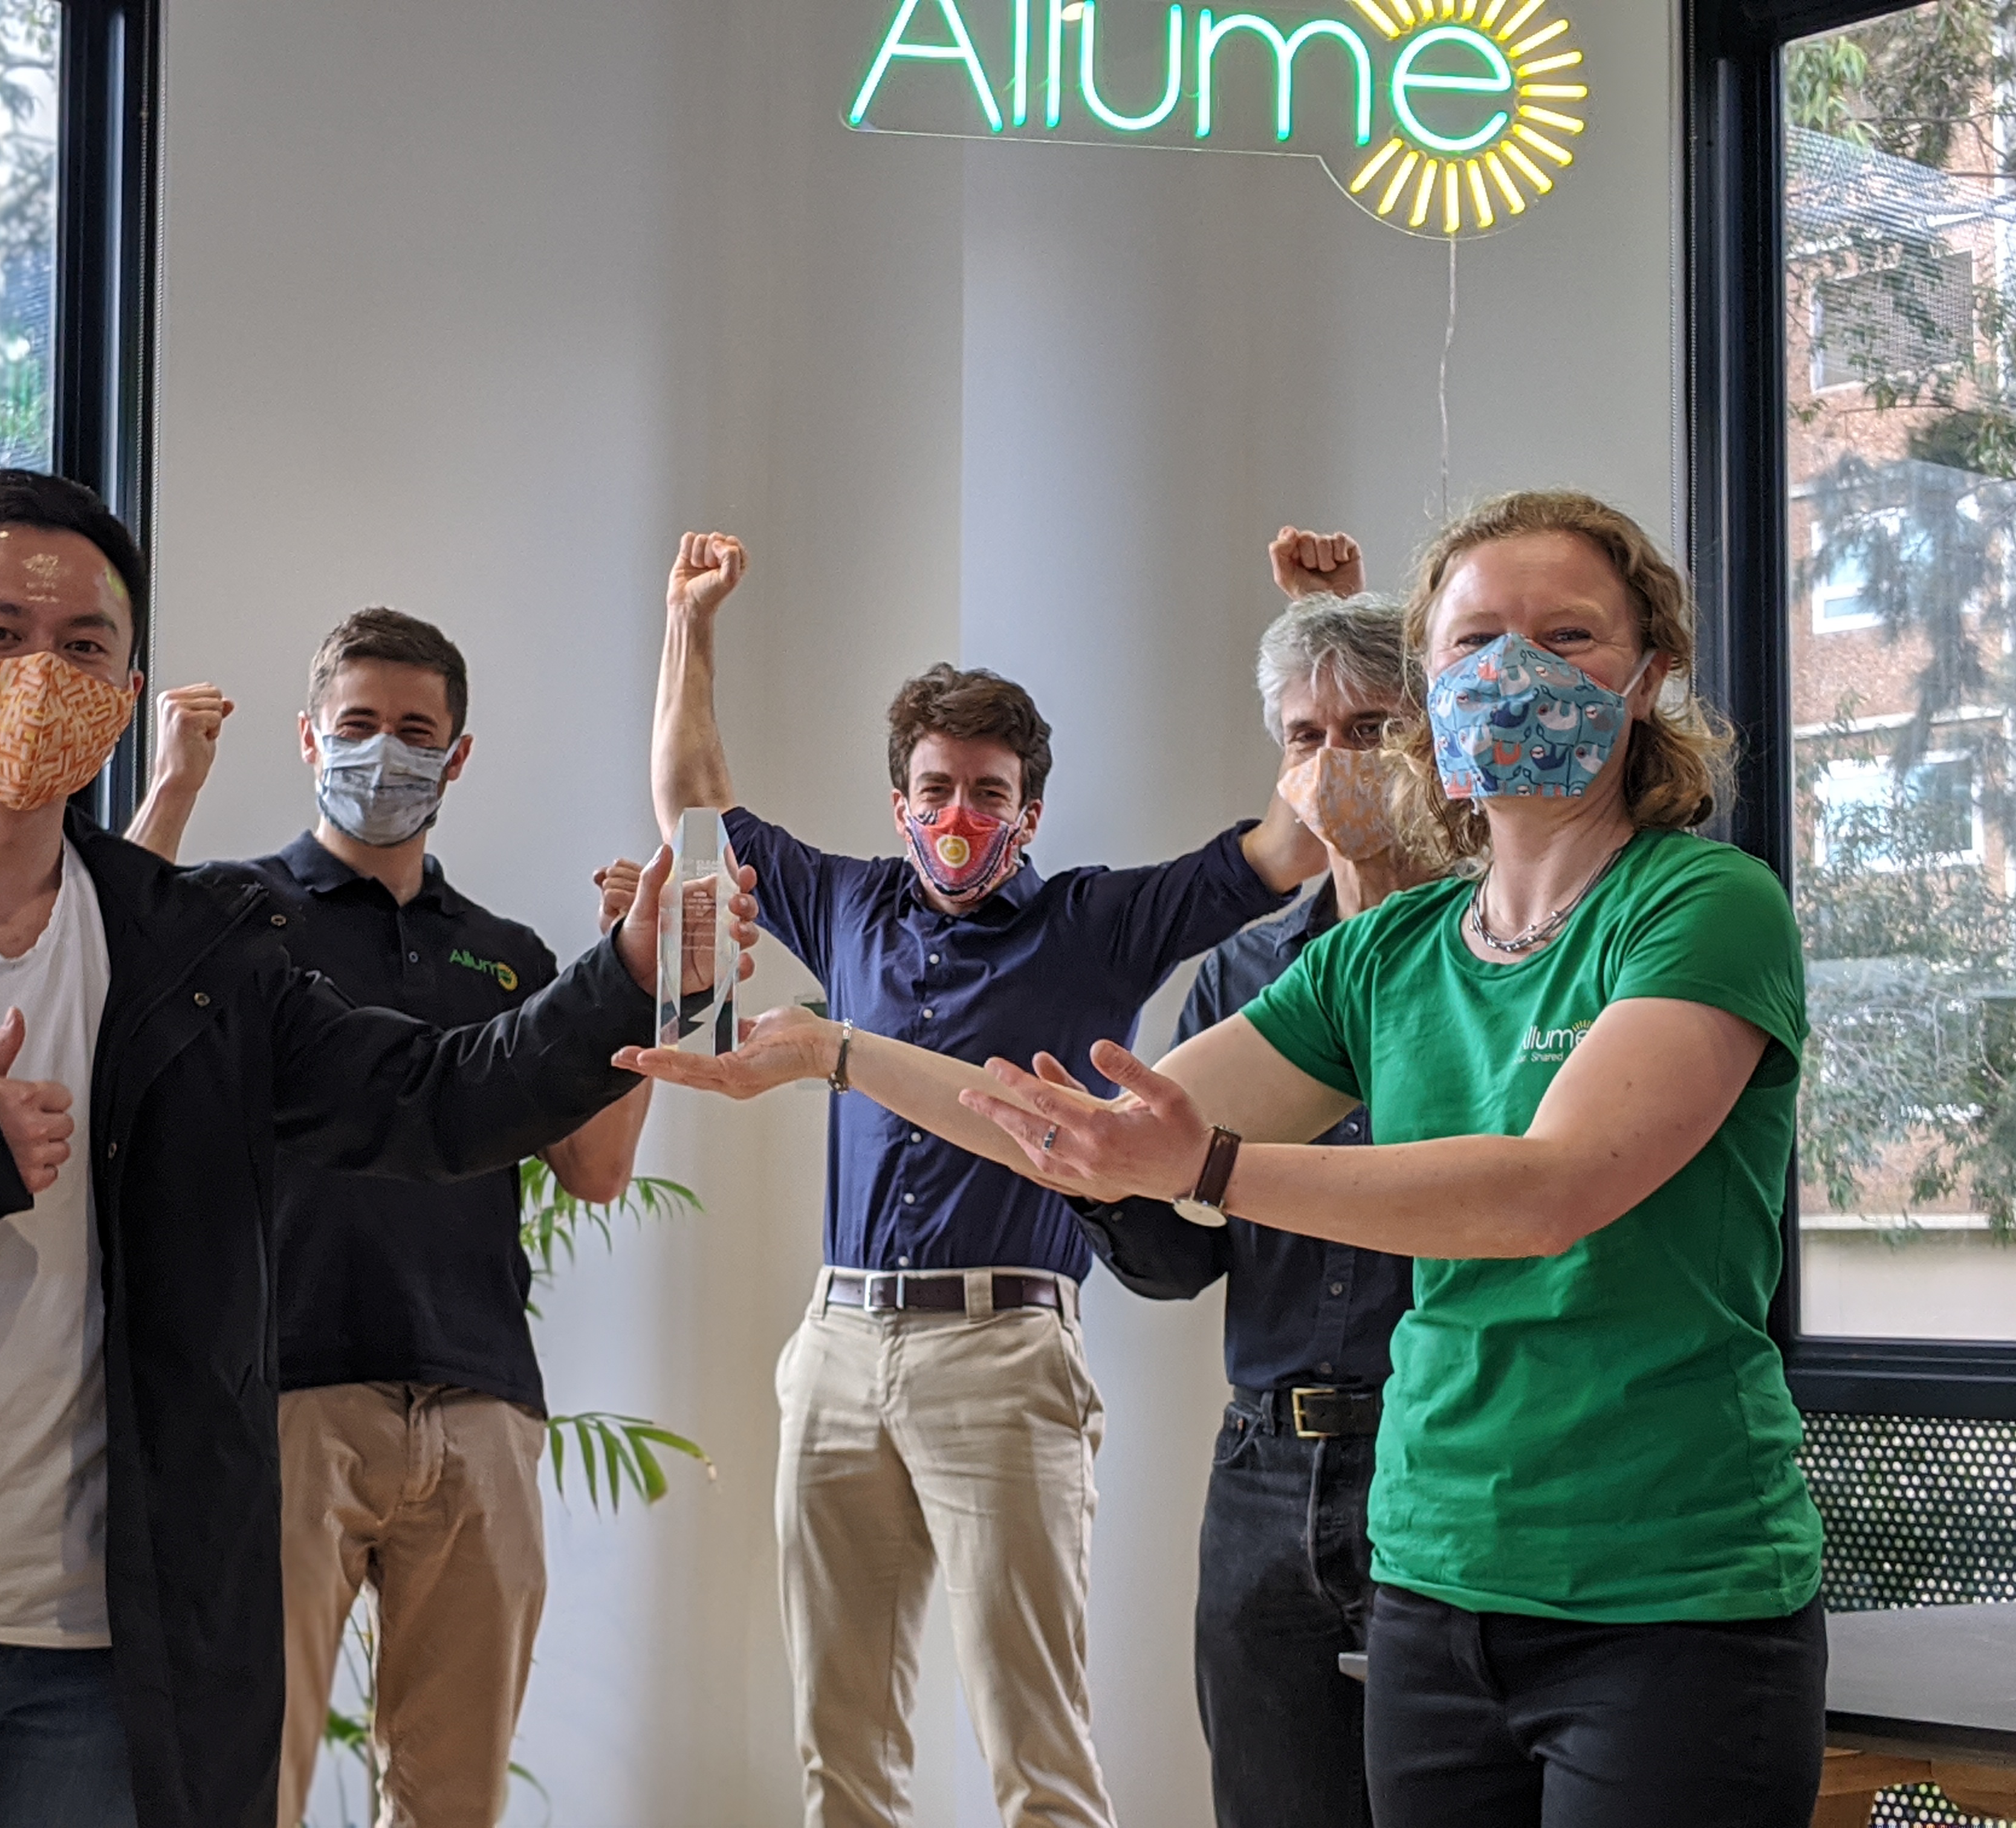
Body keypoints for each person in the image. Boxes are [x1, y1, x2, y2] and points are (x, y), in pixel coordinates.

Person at [628, 491, 1827, 1828]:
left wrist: (1209, 1169)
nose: (1517, 672)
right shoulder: (1390, 951)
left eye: (1569, 637)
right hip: (1436, 1569)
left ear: (1650, 672)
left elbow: (1543, 1192)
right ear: (1435, 682)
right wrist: (829, 1053)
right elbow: (1082, 1137)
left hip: (1664, 1586)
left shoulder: (1704, 904)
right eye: (1479, 639)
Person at [0, 468, 756, 1828]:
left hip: (113, 1653)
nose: (41, 672)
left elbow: (437, 1099)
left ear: (127, 696)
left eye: (84, 645)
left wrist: (619, 973)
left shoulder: (188, 949)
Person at [650, 531, 1327, 1828]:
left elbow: (1288, 847)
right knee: (837, 1754)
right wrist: (690, 624)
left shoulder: (1092, 921)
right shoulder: (846, 907)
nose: (959, 816)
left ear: (1029, 812)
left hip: (1005, 1348)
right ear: (900, 798)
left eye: (988, 792)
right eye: (936, 787)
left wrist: (1316, 626)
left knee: (1036, 1751)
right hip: (839, 1342)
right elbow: (693, 809)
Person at [125, 608, 655, 1828]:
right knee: (242, 1786)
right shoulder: (226, 912)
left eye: (416, 730)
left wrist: (641, 982)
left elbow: (599, 1168)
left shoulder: (510, 960)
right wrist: (168, 789)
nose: (385, 751)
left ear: (457, 755)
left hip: (478, 1404)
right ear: (310, 736)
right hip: (281, 1397)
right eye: (358, 724)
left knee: (451, 1800)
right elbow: (108, 974)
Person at [1074, 535, 1430, 1828]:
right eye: (1302, 736)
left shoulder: (1495, 955)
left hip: (1434, 1452)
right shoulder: (1238, 979)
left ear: (1437, 738)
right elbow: (1183, 1263)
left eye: (1371, 726)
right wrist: (1099, 1178)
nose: (1332, 763)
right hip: (1263, 1475)